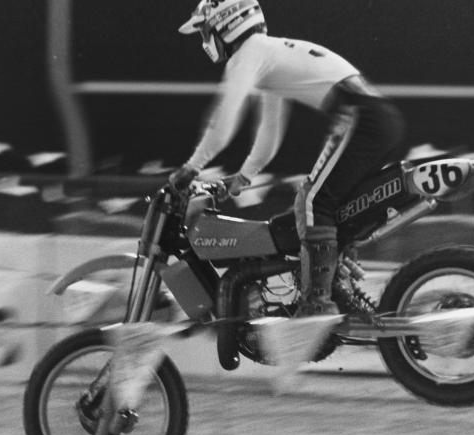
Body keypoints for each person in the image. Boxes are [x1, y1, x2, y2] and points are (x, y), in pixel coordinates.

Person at [169, 0, 407, 315]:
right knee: (328, 206)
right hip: (376, 117)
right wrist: (243, 177)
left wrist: (191, 167)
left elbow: (222, 122)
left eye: (205, 31)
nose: (204, 41)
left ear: (225, 24)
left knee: (312, 202)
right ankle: (338, 290)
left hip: (361, 118)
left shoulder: (247, 55)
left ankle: (317, 304)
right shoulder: (267, 54)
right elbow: (269, 132)